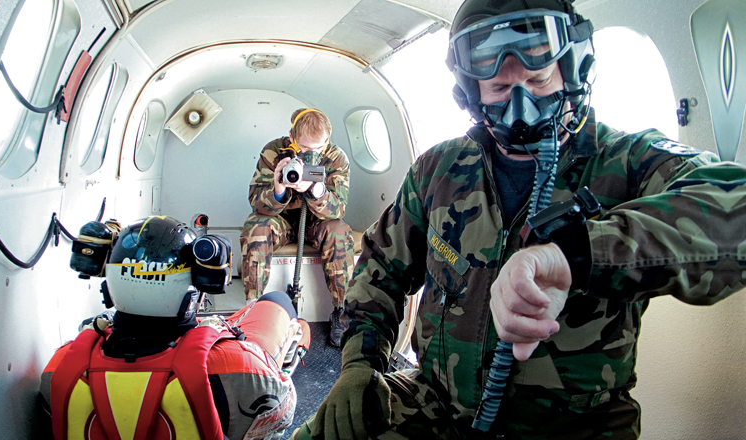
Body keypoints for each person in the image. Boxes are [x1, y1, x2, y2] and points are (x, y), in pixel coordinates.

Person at [291, 0, 746, 439]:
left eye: (538, 78)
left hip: (573, 429)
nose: (522, 107)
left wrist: (579, 253)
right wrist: (360, 364)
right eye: (500, 89)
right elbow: (380, 269)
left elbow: (735, 209)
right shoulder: (438, 170)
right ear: (471, 93)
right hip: (437, 407)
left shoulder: (625, 161)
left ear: (573, 69)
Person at [39, 216, 309, 440]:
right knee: (278, 302)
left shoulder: (59, 369)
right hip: (237, 363)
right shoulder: (239, 368)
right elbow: (281, 416)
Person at [240, 108, 354, 347]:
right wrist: (278, 190)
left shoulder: (335, 157)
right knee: (256, 227)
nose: (312, 154)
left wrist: (316, 191)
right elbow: (256, 203)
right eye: (304, 148)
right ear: (292, 137)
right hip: (280, 219)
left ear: (327, 141)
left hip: (316, 221)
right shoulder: (274, 151)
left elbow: (338, 209)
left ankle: (342, 312)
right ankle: (252, 308)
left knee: (339, 231)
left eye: (318, 148)